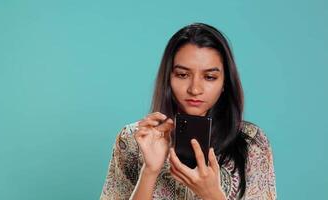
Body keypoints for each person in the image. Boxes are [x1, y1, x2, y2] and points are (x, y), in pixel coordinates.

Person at [100, 23, 276, 200]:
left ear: (224, 83)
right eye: (183, 75)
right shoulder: (133, 139)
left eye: (209, 77)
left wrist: (212, 194)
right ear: (168, 77)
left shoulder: (251, 142)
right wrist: (149, 171)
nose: (195, 89)